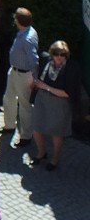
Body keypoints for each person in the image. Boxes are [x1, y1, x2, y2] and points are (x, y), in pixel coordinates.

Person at [30, 40, 81, 170]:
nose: (59, 57)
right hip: (42, 100)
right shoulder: (46, 61)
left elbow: (68, 93)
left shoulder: (71, 68)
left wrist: (46, 87)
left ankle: (55, 159)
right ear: (52, 54)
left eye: (62, 54)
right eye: (56, 54)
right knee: (36, 127)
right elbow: (39, 77)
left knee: (56, 133)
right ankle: (41, 153)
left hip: (59, 102)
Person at [1, 7, 39, 147]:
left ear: (18, 20)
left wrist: (34, 79)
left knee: (25, 105)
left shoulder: (27, 38)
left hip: (24, 75)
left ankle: (26, 135)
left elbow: (34, 60)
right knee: (8, 98)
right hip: (14, 72)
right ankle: (9, 125)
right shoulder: (25, 32)